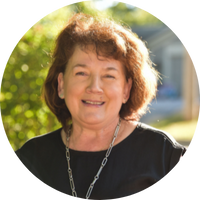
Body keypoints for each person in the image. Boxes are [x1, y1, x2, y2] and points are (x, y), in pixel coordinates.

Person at [12, 12, 189, 200]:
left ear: (126, 90)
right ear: (61, 85)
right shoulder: (30, 158)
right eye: (81, 73)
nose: (94, 87)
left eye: (109, 75)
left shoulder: (164, 156)